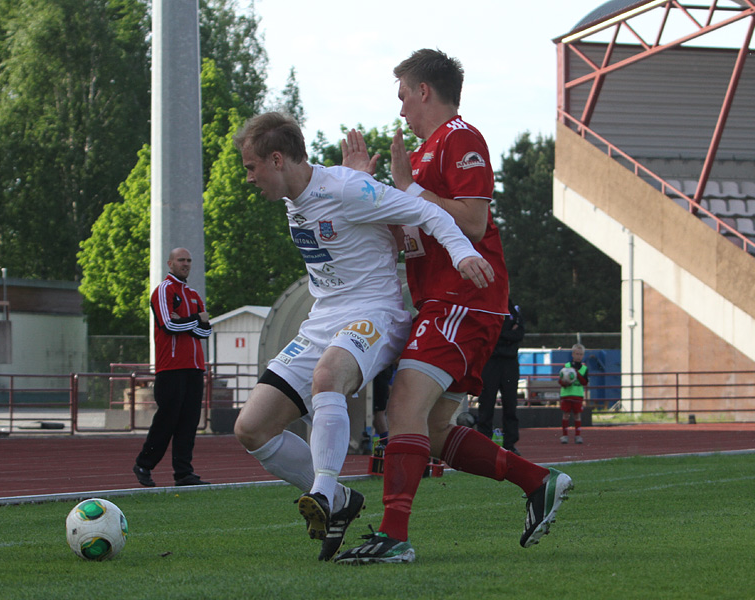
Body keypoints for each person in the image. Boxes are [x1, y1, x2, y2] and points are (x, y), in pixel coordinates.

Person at [336, 49, 573, 565]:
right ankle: (539, 482)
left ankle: (394, 537)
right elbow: (410, 236)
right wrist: (366, 189)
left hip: (463, 300)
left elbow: (472, 221)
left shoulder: (460, 138)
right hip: (444, 302)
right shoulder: (424, 154)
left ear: (425, 91)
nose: (399, 110)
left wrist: (409, 190)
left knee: (403, 408)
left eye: (403, 96)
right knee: (436, 431)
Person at [230, 112, 495, 562]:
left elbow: (427, 212)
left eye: (251, 167)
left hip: (375, 312)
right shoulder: (299, 197)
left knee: (327, 376)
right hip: (323, 320)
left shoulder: (346, 189)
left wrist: (462, 250)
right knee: (251, 428)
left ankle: (324, 491)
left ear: (277, 159)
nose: (249, 178)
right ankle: (339, 500)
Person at [133, 247, 212, 487]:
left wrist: (188, 321)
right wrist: (196, 320)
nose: (185, 264)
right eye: (181, 260)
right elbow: (169, 325)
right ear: (170, 263)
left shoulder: (194, 294)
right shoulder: (164, 290)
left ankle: (184, 473)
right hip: (171, 367)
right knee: (167, 420)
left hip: (195, 367)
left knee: (189, 422)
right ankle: (144, 464)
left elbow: (206, 331)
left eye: (188, 260)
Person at [475, 300, 525, 455]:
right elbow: (489, 333)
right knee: (486, 402)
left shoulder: (514, 308)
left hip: (510, 363)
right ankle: (484, 443)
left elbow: (519, 333)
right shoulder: (489, 305)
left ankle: (510, 444)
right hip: (491, 361)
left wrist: (502, 335)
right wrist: (507, 334)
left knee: (510, 404)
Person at [558, 343, 589, 444]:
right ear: (573, 354)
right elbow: (560, 381)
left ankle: (578, 435)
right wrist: (565, 382)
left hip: (577, 395)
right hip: (566, 395)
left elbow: (585, 382)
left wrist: (576, 374)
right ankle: (564, 435)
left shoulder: (584, 369)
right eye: (577, 354)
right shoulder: (566, 366)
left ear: (583, 355)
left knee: (577, 415)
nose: (578, 356)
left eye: (580, 354)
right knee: (566, 415)